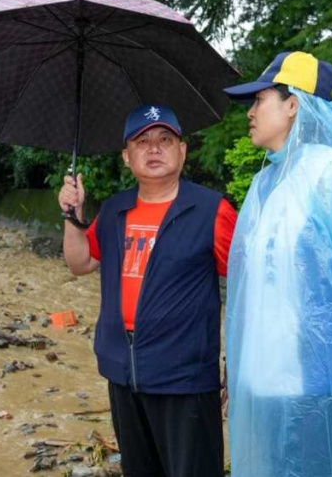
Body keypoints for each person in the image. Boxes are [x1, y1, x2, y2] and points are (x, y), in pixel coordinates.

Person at [222, 51, 332, 476]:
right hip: (262, 389)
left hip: (322, 393)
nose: (249, 113)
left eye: (259, 100)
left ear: (293, 104)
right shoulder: (264, 184)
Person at [58, 104, 237, 477]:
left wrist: (238, 364)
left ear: (182, 150)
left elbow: (247, 286)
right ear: (126, 156)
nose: (154, 148)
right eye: (143, 141)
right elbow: (80, 263)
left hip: (185, 379)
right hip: (124, 374)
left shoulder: (211, 211)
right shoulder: (114, 211)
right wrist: (72, 216)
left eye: (165, 139)